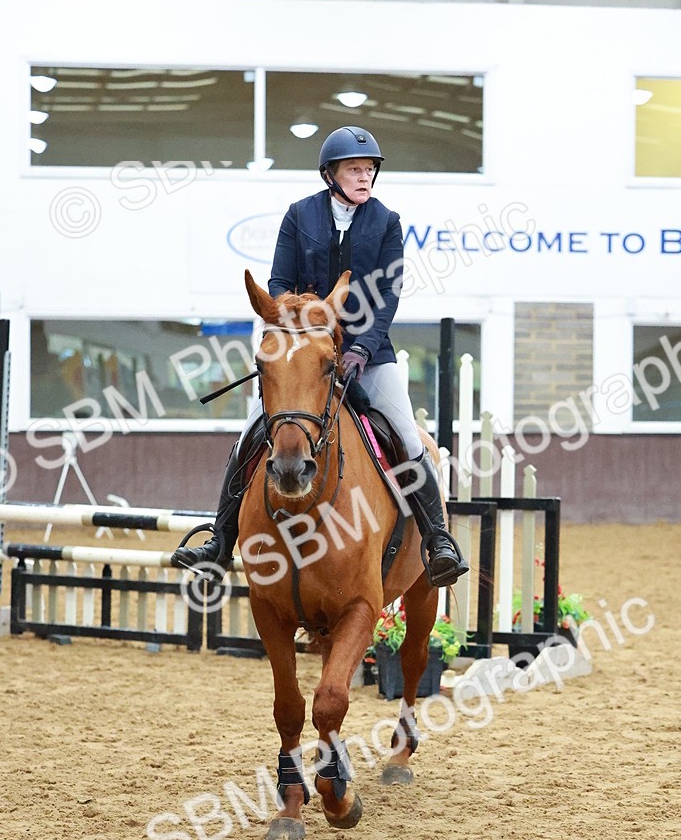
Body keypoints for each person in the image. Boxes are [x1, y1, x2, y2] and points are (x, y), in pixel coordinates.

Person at [172, 125, 468, 587]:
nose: (364, 176)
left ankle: (438, 540)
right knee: (250, 436)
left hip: (368, 355)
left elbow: (388, 294)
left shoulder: (386, 222)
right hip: (301, 351)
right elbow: (277, 282)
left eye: (369, 169)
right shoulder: (299, 215)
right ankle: (220, 541)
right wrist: (301, 325)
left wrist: (363, 349)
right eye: (355, 169)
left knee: (409, 440)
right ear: (331, 173)